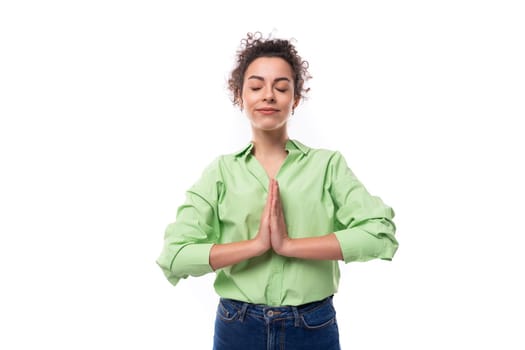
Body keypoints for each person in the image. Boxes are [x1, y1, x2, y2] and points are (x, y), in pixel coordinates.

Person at [156, 31, 398, 350]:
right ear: (239, 96)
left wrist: (289, 245)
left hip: (313, 325)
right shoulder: (220, 172)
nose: (268, 95)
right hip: (237, 326)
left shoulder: (328, 166)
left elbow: (380, 235)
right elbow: (175, 256)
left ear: (295, 99)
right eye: (256, 86)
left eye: (281, 87)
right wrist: (255, 246)